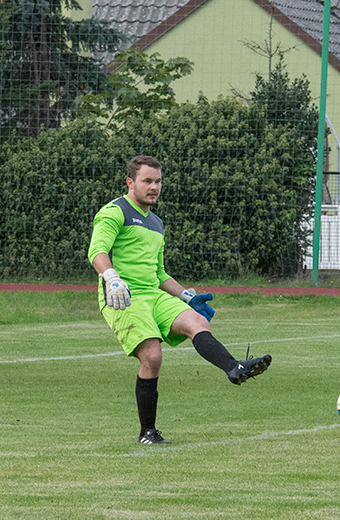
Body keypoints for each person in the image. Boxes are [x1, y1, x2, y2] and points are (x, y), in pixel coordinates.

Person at [87, 155, 272, 445]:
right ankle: (147, 432)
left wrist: (186, 295)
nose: (154, 187)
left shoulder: (157, 223)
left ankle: (235, 368)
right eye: (147, 181)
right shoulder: (114, 212)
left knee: (196, 321)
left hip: (153, 294)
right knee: (152, 357)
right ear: (130, 182)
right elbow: (97, 251)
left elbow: (158, 272)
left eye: (158, 181)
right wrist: (111, 277)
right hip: (124, 297)